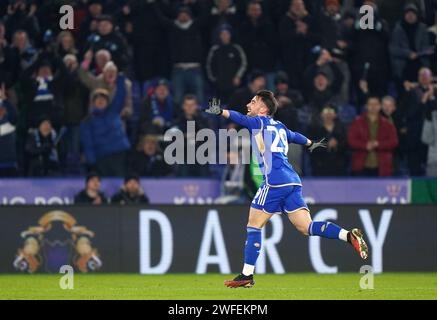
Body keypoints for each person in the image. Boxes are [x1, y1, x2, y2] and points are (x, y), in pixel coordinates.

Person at [205, 91, 368, 288]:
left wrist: (220, 111)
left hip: (274, 182)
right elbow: (295, 136)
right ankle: (347, 235)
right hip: (292, 181)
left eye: (253, 101)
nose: (249, 104)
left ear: (263, 109)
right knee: (306, 227)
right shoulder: (280, 126)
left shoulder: (259, 122)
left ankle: (247, 275)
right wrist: (311, 143)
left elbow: (237, 117)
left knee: (254, 225)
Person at [80, 80, 131, 177]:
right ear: (93, 102)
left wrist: (120, 77)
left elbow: (121, 94)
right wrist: (92, 162)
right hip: (102, 157)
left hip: (119, 153)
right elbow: (87, 143)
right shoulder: (87, 121)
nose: (100, 101)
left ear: (107, 102)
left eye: (103, 99)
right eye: (98, 99)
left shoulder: (114, 111)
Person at [348, 96, 399, 176]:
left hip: (382, 167)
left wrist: (378, 144)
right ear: (366, 106)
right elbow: (351, 140)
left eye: (376, 104)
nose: (373, 107)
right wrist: (365, 145)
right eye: (370, 104)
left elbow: (394, 141)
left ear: (380, 106)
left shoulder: (388, 124)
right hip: (361, 166)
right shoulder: (357, 122)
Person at [206, 25, 247, 103]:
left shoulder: (236, 48)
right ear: (219, 36)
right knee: (215, 108)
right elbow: (209, 65)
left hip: (233, 83)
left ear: (230, 35)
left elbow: (243, 63)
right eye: (222, 34)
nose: (225, 36)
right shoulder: (214, 49)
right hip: (218, 85)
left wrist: (238, 76)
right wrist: (213, 79)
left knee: (233, 106)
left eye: (227, 34)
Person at [307, 105, 347, 176]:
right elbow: (309, 146)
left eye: (331, 111)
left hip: (339, 166)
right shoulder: (314, 129)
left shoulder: (342, 128)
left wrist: (337, 144)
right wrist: (326, 144)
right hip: (320, 165)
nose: (328, 114)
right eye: (326, 112)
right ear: (321, 114)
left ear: (335, 114)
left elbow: (347, 145)